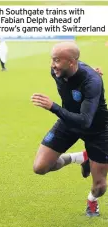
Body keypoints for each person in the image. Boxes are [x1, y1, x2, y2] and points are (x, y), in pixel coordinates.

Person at [31, 41, 108, 217]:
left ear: (71, 62)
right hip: (68, 122)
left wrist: (53, 107)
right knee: (40, 167)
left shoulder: (92, 81)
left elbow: (85, 122)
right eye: (52, 59)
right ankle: (80, 158)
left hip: (96, 130)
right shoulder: (56, 71)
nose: (53, 65)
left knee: (100, 187)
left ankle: (92, 200)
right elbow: (76, 66)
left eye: (57, 60)